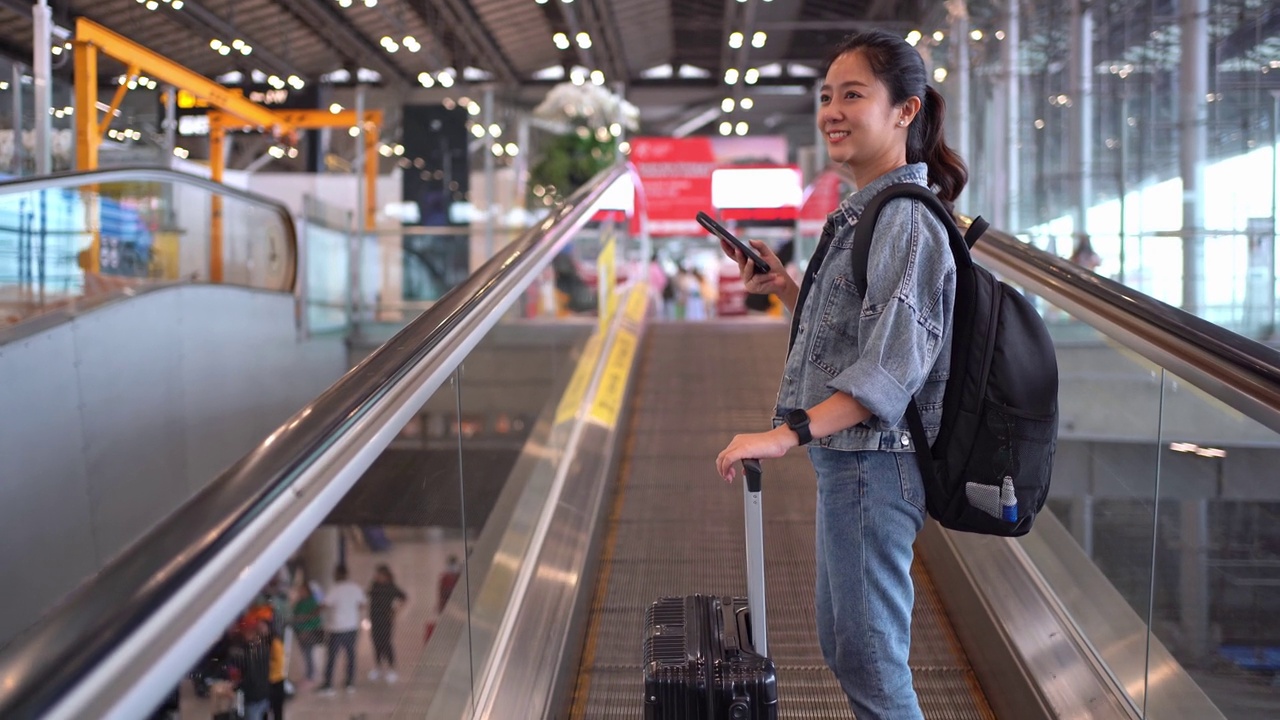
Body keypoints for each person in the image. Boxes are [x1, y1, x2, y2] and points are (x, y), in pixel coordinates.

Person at [714, 30, 967, 720]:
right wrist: (790, 289)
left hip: (876, 466)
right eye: (826, 96)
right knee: (849, 647)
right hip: (851, 464)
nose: (832, 109)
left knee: (870, 658)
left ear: (905, 110)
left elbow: (888, 369)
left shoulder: (905, 222)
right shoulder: (868, 213)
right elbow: (864, 331)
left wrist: (785, 434)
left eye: (853, 94)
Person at [317, 565, 366, 696]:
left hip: (336, 628)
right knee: (350, 655)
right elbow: (362, 605)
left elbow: (325, 605)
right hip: (351, 627)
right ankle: (350, 683)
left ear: (337, 575)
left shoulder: (334, 589)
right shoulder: (355, 588)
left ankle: (328, 685)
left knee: (332, 656)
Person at [367, 564, 408, 684]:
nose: (376, 576)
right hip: (375, 619)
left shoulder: (391, 587)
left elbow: (404, 598)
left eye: (379, 574)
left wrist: (396, 611)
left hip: (386, 620)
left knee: (386, 643)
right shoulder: (374, 586)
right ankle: (378, 667)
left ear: (385, 576)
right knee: (376, 642)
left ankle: (391, 668)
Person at [289, 581, 323, 688]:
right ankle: (308, 674)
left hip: (309, 632)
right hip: (300, 631)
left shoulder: (312, 602)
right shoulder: (300, 602)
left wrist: (305, 627)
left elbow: (314, 617)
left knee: (308, 654)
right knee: (305, 654)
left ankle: (310, 676)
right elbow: (295, 614)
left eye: (302, 590)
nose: (300, 592)